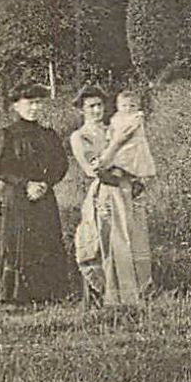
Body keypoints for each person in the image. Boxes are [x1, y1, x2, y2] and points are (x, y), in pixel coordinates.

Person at [0, 83, 70, 304]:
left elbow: (61, 164)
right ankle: (11, 295)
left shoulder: (48, 135)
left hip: (43, 197)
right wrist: (26, 184)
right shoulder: (7, 134)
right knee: (15, 244)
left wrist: (46, 184)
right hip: (16, 198)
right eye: (30, 103)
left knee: (44, 240)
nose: (35, 108)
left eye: (39, 102)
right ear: (16, 106)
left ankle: (45, 293)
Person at [70, 85, 154, 306]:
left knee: (132, 240)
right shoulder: (80, 137)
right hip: (105, 192)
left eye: (99, 105)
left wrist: (137, 178)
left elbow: (135, 152)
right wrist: (116, 144)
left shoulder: (116, 126)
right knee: (106, 242)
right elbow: (93, 169)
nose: (97, 110)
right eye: (91, 107)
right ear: (82, 110)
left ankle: (134, 295)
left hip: (126, 190)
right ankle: (109, 297)